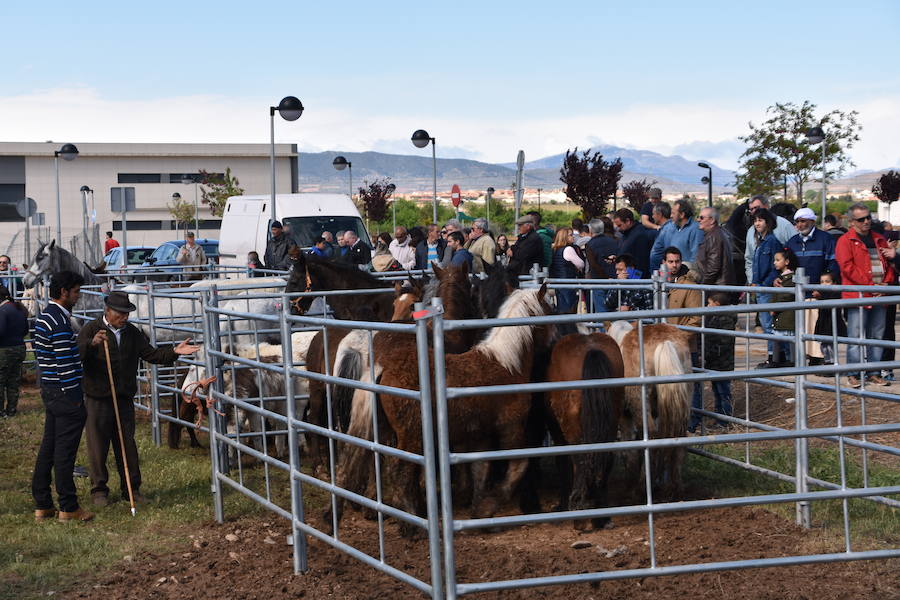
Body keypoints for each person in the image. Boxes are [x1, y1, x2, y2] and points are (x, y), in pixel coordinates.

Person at [76, 292, 199, 506]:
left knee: (127, 445)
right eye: (120, 313)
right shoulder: (91, 329)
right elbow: (77, 353)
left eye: (127, 313)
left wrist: (174, 352)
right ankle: (99, 491)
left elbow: (150, 354)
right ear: (107, 311)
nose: (124, 317)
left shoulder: (132, 333)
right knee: (98, 446)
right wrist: (91, 343)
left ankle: (132, 489)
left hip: (123, 398)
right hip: (98, 398)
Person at [31, 271, 94, 522]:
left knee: (49, 447)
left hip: (50, 389)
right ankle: (68, 506)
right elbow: (65, 361)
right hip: (65, 392)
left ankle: (43, 503)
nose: (78, 297)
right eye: (76, 291)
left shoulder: (45, 316)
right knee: (64, 452)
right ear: (64, 292)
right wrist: (74, 395)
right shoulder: (58, 320)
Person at [835, 203, 896, 387]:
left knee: (877, 335)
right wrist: (871, 286)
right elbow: (847, 268)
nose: (866, 221)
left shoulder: (879, 239)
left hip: (879, 295)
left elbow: (889, 264)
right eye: (861, 219)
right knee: (855, 336)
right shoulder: (845, 241)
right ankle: (853, 373)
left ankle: (874, 372)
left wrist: (886, 283)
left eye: (868, 217)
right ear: (852, 222)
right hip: (858, 296)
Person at [661, 247, 704, 433]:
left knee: (690, 384)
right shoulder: (659, 284)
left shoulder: (689, 285)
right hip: (664, 345)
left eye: (677, 261)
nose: (674, 265)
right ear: (664, 262)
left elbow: (696, 319)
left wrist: (678, 337)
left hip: (685, 345)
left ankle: (692, 421)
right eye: (670, 261)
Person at [750, 209, 786, 368]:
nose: (757, 223)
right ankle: (775, 356)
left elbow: (775, 267)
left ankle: (775, 357)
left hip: (766, 289)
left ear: (768, 223)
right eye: (755, 220)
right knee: (767, 325)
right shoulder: (760, 242)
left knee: (769, 325)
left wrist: (764, 284)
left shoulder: (772, 242)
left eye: (761, 220)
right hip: (760, 288)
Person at [743, 195, 796, 285]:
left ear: (767, 206)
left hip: (778, 285)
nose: (754, 211)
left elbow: (794, 253)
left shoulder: (784, 225)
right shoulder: (751, 232)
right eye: (751, 209)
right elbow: (749, 259)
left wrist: (783, 278)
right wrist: (753, 282)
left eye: (756, 207)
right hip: (756, 285)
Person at [704, 292, 736, 429]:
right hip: (715, 361)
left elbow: (723, 341)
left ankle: (724, 420)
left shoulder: (725, 319)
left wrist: (709, 353)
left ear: (716, 304)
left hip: (722, 361)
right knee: (717, 390)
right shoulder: (716, 317)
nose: (707, 306)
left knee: (723, 392)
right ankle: (718, 417)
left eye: (709, 303)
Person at [649, 199, 704, 272]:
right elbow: (656, 252)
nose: (671, 216)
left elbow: (696, 257)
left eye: (673, 213)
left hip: (686, 277)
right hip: (670, 275)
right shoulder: (670, 228)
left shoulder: (695, 229)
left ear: (682, 215)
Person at [0, 283, 28, 417]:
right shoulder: (19, 309)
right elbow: (26, 330)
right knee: (13, 381)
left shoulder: (2, 310)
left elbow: (1, 331)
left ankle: (0, 411)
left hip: (5, 350)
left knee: (1, 381)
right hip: (20, 348)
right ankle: (11, 410)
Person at [693, 206, 736, 287]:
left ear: (712, 220)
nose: (698, 220)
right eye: (698, 217)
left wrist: (703, 286)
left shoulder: (714, 237)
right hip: (718, 287)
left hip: (716, 289)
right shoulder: (718, 233)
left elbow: (713, 268)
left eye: (702, 218)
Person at [584, 218, 620, 312]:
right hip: (614, 278)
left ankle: (602, 327)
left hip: (598, 281)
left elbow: (593, 265)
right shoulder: (615, 241)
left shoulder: (590, 244)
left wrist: (605, 277)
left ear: (591, 230)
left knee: (601, 311)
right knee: (614, 310)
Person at [812, 270, 846, 365]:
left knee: (831, 345)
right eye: (822, 282)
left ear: (834, 283)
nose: (824, 284)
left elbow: (829, 305)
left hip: (832, 323)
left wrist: (820, 297)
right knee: (823, 345)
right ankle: (827, 362)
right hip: (823, 323)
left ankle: (832, 363)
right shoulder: (822, 293)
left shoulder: (836, 293)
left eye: (827, 281)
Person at [549, 227, 584, 313]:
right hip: (568, 282)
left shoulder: (555, 250)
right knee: (569, 309)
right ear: (564, 237)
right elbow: (581, 264)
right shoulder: (568, 249)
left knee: (562, 308)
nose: (573, 237)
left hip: (558, 283)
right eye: (570, 235)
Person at [612, 208, 654, 278]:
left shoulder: (639, 235)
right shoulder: (627, 234)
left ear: (628, 221)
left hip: (635, 278)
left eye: (620, 225)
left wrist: (636, 279)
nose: (618, 229)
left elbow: (642, 262)